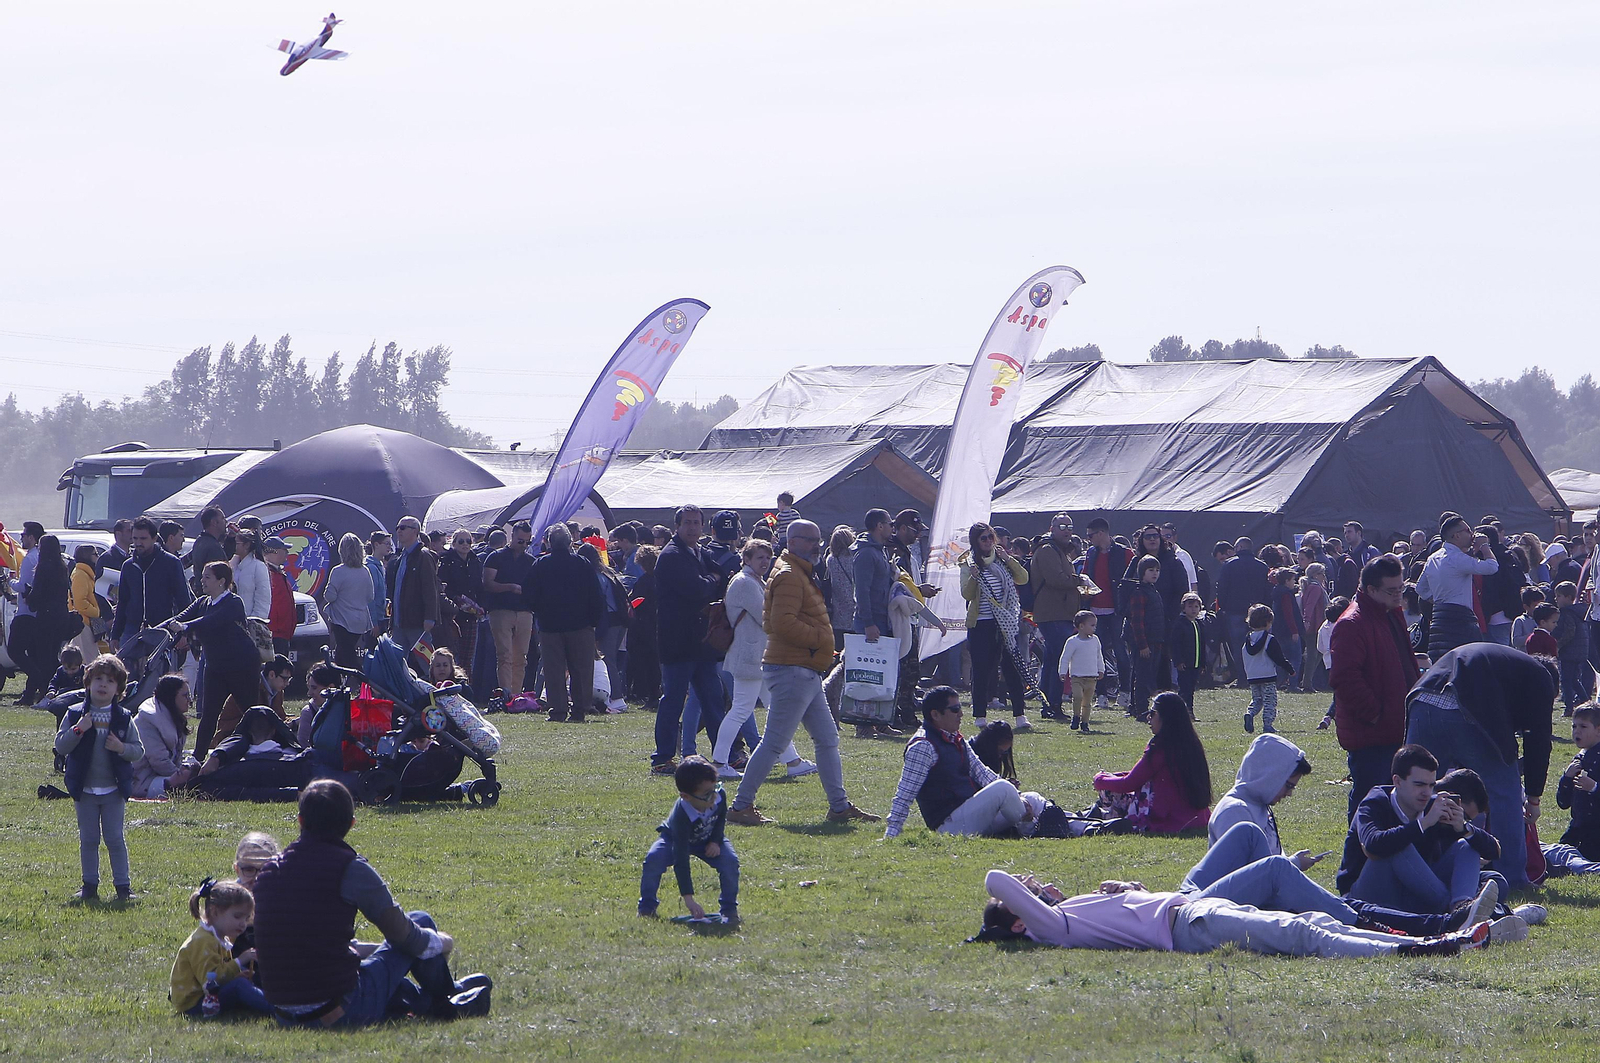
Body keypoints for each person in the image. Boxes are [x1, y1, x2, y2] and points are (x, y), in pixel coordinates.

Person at [252, 780, 491, 1026]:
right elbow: (405, 936)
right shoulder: (349, 868)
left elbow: (307, 941)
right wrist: (442, 941)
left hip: (284, 1015)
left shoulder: (268, 872)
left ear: (300, 821)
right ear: (351, 824)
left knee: (390, 980)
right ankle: (447, 1000)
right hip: (338, 1010)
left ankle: (434, 999)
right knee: (420, 920)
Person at [725, 520, 878, 827]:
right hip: (793, 669)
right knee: (774, 742)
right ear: (792, 542)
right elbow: (781, 623)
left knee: (827, 738)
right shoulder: (790, 576)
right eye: (809, 540)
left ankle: (839, 807)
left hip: (803, 669)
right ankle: (741, 806)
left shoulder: (796, 572)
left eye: (817, 539)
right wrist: (821, 639)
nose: (816, 544)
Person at [977, 869, 1493, 958]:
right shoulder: (1053, 927)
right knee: (1296, 932)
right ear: (1022, 920)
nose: (1034, 885)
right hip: (1189, 928)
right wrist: (1018, 896)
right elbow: (995, 880)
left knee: (1318, 924)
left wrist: (1129, 889)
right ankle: (1423, 946)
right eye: (1027, 894)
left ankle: (1432, 939)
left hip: (1196, 910)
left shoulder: (1068, 912)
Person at [1405, 643, 1556, 890]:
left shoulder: (1504, 662)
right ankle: (1513, 878)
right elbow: (1538, 740)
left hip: (1422, 701)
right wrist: (1534, 798)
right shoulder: (1541, 677)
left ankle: (1405, 862)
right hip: (1466, 709)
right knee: (1504, 795)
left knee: (1415, 792)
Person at [1338, 745, 1499, 914]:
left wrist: (1464, 827)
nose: (1426, 793)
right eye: (1419, 785)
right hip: (1365, 898)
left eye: (1431, 786)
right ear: (1397, 781)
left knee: (1468, 848)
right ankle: (1459, 914)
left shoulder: (1435, 806)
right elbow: (1372, 845)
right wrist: (1423, 823)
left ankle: (1461, 905)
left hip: (1414, 894)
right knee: (1399, 847)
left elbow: (1493, 851)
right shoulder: (1375, 802)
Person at [1331, 555, 1423, 821]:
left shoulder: (1391, 613)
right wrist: (1375, 714)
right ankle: (1357, 856)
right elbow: (1345, 679)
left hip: (1397, 726)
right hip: (1372, 733)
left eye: (1401, 589)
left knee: (1394, 801)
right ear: (1371, 589)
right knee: (1369, 799)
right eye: (1392, 591)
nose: (1399, 596)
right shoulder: (1352, 623)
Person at [712, 539, 812, 779]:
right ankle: (718, 763)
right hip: (750, 657)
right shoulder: (745, 582)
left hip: (759, 658)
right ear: (746, 559)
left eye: (768, 558)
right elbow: (767, 617)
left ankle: (792, 760)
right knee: (741, 710)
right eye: (759, 557)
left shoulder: (754, 581)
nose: (765, 562)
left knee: (775, 709)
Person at [884, 686, 1031, 839]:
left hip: (970, 814)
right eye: (955, 709)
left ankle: (1036, 825)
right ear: (935, 714)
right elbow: (905, 794)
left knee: (1031, 798)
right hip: (949, 825)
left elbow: (983, 773)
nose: (961, 714)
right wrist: (892, 832)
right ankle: (1031, 829)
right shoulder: (922, 746)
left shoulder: (954, 737)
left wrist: (1019, 796)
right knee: (1004, 789)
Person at [52, 653, 143, 901]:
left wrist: (121, 748)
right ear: (88, 683)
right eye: (98, 679)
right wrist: (79, 729)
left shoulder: (123, 718)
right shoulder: (74, 715)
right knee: (89, 839)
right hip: (84, 789)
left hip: (114, 790)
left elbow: (138, 750)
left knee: (114, 838)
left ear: (118, 689)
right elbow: (61, 746)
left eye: (110, 681)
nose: (103, 685)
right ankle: (89, 886)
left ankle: (123, 887)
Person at [162, 562, 270, 761]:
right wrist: (161, 627)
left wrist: (184, 627)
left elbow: (210, 622)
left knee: (250, 710)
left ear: (222, 581)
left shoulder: (233, 602)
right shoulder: (203, 602)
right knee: (208, 714)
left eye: (207, 577)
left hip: (242, 666)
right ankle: (198, 757)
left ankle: (263, 750)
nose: (202, 580)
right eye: (203, 576)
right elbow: (181, 617)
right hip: (215, 667)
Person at [651, 505, 730, 773]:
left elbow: (723, 574)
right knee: (673, 699)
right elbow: (697, 588)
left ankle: (722, 755)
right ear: (677, 526)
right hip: (678, 641)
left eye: (697, 523)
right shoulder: (671, 555)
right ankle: (662, 758)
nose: (693, 528)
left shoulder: (699, 552)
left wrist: (712, 578)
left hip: (701, 641)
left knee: (713, 698)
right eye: (688, 523)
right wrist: (712, 579)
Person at [1092, 692, 1212, 833]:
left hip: (1168, 821)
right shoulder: (1191, 743)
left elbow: (1128, 783)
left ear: (1166, 717)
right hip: (1200, 818)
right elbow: (1140, 775)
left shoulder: (1161, 746)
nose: (1148, 717)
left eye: (1153, 713)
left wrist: (1100, 779)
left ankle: (1108, 817)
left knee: (1110, 791)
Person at [638, 757, 740, 921]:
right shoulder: (681, 816)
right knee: (653, 859)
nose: (714, 796)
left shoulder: (718, 794)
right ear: (685, 796)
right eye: (707, 794)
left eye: (715, 787)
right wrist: (689, 899)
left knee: (730, 862)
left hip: (707, 839)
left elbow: (721, 818)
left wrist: (715, 840)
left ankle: (729, 909)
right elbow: (681, 858)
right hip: (675, 840)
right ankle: (646, 908)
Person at [526, 524, 603, 724]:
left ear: (549, 543)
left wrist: (540, 612)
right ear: (570, 542)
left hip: (550, 626)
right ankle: (579, 710)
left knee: (554, 671)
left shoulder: (540, 564)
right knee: (581, 670)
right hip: (581, 625)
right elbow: (596, 594)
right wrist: (593, 622)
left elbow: (529, 596)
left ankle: (558, 710)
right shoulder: (583, 563)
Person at [961, 521, 1031, 729]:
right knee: (982, 670)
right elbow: (966, 593)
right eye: (984, 538)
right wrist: (973, 577)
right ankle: (980, 715)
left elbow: (1023, 578)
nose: (988, 542)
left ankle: (1020, 715)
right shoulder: (968, 563)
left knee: (1012, 668)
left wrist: (1008, 559)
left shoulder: (1002, 560)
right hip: (981, 623)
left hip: (1005, 623)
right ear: (975, 541)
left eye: (991, 537)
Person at [169, 879, 272, 1017]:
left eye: (246, 918)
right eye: (237, 917)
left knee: (244, 977)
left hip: (206, 997)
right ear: (215, 912)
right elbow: (210, 981)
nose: (243, 924)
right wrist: (240, 961)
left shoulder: (219, 937)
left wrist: (236, 974)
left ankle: (271, 999)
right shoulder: (203, 941)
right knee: (239, 986)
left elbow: (221, 967)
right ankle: (275, 1009)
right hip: (195, 1004)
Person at [1415, 515, 1498, 658]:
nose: (1472, 534)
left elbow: (1420, 589)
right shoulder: (1457, 558)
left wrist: (1438, 600)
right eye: (1468, 530)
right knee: (1465, 666)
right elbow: (1492, 567)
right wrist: (1485, 546)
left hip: (1438, 619)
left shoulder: (1433, 558)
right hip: (1460, 620)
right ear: (1457, 536)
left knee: (1442, 666)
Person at [851, 508, 903, 739]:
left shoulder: (880, 551)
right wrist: (869, 622)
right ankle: (862, 725)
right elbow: (861, 591)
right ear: (879, 526)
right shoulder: (865, 554)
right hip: (869, 622)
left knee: (881, 674)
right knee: (865, 675)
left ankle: (880, 722)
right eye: (890, 523)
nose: (893, 527)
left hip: (882, 619)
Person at [111, 517, 193, 654]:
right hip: (132, 629)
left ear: (154, 538)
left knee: (159, 673)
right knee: (127, 673)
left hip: (162, 629)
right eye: (135, 538)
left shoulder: (171, 563)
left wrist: (184, 632)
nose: (138, 543)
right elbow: (123, 602)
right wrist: (115, 635)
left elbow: (183, 599)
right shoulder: (129, 566)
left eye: (143, 539)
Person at [1031, 512, 1082, 722]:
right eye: (1062, 526)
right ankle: (1053, 705)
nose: (1067, 530)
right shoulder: (1047, 550)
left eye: (1070, 526)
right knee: (1059, 660)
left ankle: (1049, 705)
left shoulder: (1060, 551)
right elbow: (1056, 579)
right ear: (1051, 528)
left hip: (1061, 613)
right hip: (1051, 614)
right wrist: (1079, 580)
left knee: (1053, 660)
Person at [1081, 519, 1133, 708]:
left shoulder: (1125, 553)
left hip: (1117, 611)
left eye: (1090, 535)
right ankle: (1101, 695)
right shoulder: (1091, 554)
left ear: (1101, 533)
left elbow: (1131, 581)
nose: (1088, 540)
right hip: (1095, 611)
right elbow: (1086, 576)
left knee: (1121, 653)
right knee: (1097, 653)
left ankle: (1125, 692)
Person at [1543, 704, 1600, 875]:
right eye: (1574, 726)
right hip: (1577, 829)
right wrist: (1566, 779)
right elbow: (1563, 802)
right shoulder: (1578, 760)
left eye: (1583, 727)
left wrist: (1595, 788)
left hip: (1596, 832)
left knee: (1578, 858)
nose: (1577, 731)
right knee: (1559, 853)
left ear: (1598, 730)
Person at [482, 521, 536, 700]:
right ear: (512, 536)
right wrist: (510, 587)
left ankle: (517, 695)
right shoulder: (496, 557)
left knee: (521, 656)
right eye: (520, 541)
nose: (524, 545)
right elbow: (488, 583)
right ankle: (505, 693)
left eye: (527, 542)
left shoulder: (531, 561)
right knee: (505, 654)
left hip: (524, 612)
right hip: (501, 610)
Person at [1216, 536, 1272, 689]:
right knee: (1259, 646)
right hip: (1258, 612)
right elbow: (1268, 590)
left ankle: (1242, 678)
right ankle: (1258, 678)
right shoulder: (1262, 566)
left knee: (1238, 646)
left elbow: (1222, 589)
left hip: (1235, 612)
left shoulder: (1228, 565)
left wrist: (1225, 607)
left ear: (1239, 548)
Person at [132, 674, 197, 799]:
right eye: (185, 696)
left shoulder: (175, 719)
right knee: (191, 785)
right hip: (141, 782)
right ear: (170, 697)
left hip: (159, 777)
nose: (189, 700)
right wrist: (182, 776)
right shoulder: (147, 721)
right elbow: (159, 762)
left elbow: (175, 759)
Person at [385, 516, 439, 654]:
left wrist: (429, 617)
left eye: (403, 528)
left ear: (415, 531)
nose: (399, 531)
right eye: (397, 528)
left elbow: (430, 589)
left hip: (417, 623)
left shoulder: (424, 556)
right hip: (399, 622)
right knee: (397, 662)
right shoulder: (400, 557)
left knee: (426, 659)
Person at [438, 528, 485, 686]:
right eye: (461, 541)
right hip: (451, 615)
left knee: (467, 657)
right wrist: (456, 600)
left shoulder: (475, 560)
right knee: (449, 654)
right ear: (454, 543)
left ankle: (466, 689)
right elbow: (442, 586)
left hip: (471, 615)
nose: (465, 545)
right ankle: (446, 686)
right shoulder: (445, 560)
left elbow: (480, 586)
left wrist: (480, 606)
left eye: (468, 541)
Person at [322, 533, 376, 668]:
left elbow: (330, 597)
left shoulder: (338, 571)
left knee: (346, 656)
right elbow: (370, 596)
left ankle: (361, 681)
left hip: (342, 620)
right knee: (343, 654)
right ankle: (344, 683)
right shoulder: (365, 571)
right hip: (360, 622)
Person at [1124, 556, 1168, 720]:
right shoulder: (1138, 592)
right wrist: (1142, 645)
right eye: (1151, 570)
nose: (1155, 573)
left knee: (1148, 674)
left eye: (1157, 570)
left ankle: (1138, 707)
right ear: (1142, 572)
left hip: (1155, 640)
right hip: (1143, 642)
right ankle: (1141, 710)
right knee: (1141, 676)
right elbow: (1137, 621)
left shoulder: (1152, 590)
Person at [1240, 603, 1292, 734]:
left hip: (1252, 676)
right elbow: (1278, 658)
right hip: (1267, 676)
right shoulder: (1270, 639)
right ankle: (1267, 724)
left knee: (1257, 700)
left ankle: (1250, 713)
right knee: (1269, 701)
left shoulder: (1248, 640)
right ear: (1268, 622)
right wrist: (1289, 669)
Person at [627, 545, 662, 708]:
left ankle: (651, 696)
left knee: (648, 663)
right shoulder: (663, 579)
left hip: (644, 626)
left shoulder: (643, 582)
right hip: (659, 624)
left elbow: (636, 603)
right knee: (656, 663)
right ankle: (656, 694)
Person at [1059, 609, 1104, 732]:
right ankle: (1076, 716)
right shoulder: (1072, 642)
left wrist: (1101, 669)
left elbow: (1099, 655)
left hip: (1091, 677)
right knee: (1077, 696)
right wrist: (1062, 672)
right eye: (1092, 625)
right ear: (1081, 626)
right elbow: (1065, 657)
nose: (1094, 628)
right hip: (1077, 677)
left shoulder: (1095, 640)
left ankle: (1085, 722)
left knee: (1087, 701)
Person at [1554, 581, 1593, 712]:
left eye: (1559, 596)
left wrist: (1558, 645)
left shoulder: (1567, 612)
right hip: (1580, 650)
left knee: (1566, 680)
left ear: (1569, 597)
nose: (1556, 599)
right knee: (1574, 679)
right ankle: (1586, 701)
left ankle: (1569, 708)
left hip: (1569, 651)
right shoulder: (1581, 611)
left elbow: (1569, 632)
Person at [1170, 594, 1206, 716]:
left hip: (1195, 665)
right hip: (1185, 665)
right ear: (1183, 608)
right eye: (1190, 606)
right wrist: (1178, 661)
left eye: (1196, 606)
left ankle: (1189, 711)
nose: (1193, 609)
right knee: (1184, 690)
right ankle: (1182, 712)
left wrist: (1202, 663)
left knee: (1191, 689)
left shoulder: (1198, 624)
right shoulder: (1180, 624)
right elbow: (1175, 644)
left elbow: (1201, 645)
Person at [261, 537, 298, 655]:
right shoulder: (264, 572)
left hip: (282, 634)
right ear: (274, 551)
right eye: (284, 549)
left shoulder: (278, 573)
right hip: (274, 634)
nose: (287, 553)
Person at [184, 506, 229, 596]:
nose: (226, 521)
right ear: (214, 523)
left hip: (203, 596)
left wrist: (230, 539)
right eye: (222, 518)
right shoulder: (212, 547)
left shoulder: (200, 541)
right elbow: (218, 576)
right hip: (213, 597)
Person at [824, 525, 856, 650]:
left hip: (838, 613)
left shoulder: (831, 560)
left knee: (839, 650)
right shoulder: (856, 558)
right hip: (855, 612)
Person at [228, 529, 272, 621]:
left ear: (247, 545)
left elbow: (263, 597)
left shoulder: (258, 566)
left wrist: (255, 620)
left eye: (237, 543)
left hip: (250, 621)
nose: (233, 546)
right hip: (231, 621)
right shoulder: (231, 565)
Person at [68, 543, 102, 662]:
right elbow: (80, 602)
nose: (98, 557)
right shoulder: (80, 575)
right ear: (87, 556)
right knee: (90, 660)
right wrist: (96, 611)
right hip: (83, 623)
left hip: (90, 622)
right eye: (95, 554)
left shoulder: (87, 574)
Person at [969, 719, 1019, 785]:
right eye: (1000, 751)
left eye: (1005, 752)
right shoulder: (971, 754)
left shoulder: (989, 756)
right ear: (990, 745)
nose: (1000, 756)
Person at [363, 531, 392, 642]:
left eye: (389, 544)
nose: (389, 546)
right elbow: (370, 598)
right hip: (375, 621)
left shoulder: (380, 565)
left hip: (382, 617)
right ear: (376, 545)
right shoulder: (371, 567)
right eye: (386, 543)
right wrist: (373, 624)